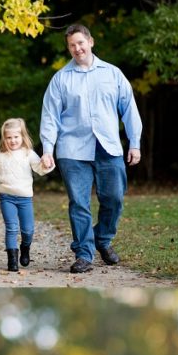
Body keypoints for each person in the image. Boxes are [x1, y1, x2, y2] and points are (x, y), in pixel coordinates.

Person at [39, 24, 141, 275]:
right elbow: (50, 116)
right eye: (72, 45)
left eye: (80, 43)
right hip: (72, 151)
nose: (77, 49)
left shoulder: (113, 74)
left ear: (91, 42)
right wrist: (48, 149)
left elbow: (129, 110)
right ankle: (84, 254)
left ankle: (102, 239)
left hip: (108, 147)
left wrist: (134, 143)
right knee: (79, 203)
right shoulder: (61, 78)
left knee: (114, 198)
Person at [0, 117, 48, 272]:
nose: (12, 140)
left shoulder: (28, 153)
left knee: (28, 230)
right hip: (6, 197)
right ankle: (12, 262)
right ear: (4, 138)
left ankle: (25, 248)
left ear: (22, 136)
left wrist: (47, 164)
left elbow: (40, 168)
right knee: (11, 228)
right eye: (8, 137)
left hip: (25, 198)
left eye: (16, 137)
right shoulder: (0, 154)